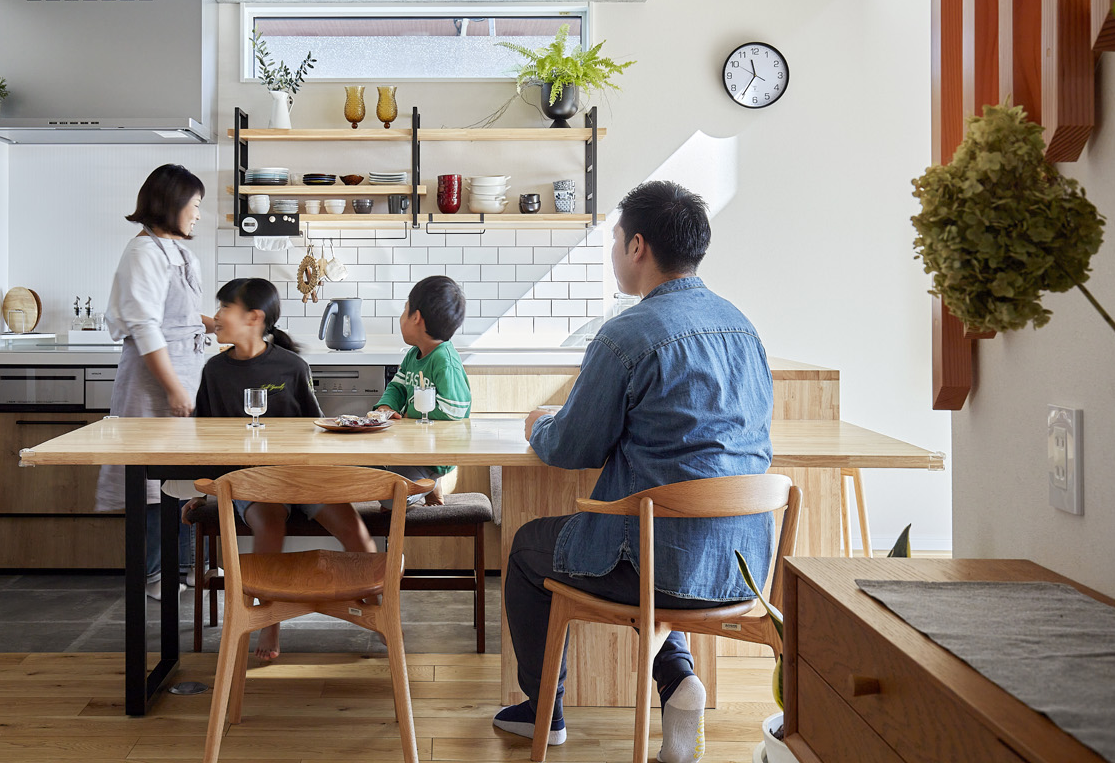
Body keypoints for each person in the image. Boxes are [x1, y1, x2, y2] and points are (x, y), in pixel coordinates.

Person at [492, 181, 774, 763]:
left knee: (526, 549)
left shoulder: (627, 335)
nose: (614, 251)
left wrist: (540, 424)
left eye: (615, 240)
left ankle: (547, 710)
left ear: (638, 246)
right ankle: (676, 680)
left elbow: (572, 445)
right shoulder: (744, 327)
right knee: (671, 536)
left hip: (654, 565)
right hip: (742, 564)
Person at [194, 276, 376, 661]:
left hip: (302, 477)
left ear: (254, 317)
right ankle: (269, 623)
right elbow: (202, 437)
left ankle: (377, 608)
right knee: (270, 525)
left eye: (225, 308)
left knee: (356, 531)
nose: (216, 317)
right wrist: (203, 492)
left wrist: (328, 479)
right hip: (252, 482)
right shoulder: (214, 371)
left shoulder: (292, 366)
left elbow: (317, 427)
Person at [94, 163, 217, 601]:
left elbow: (174, 312)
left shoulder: (177, 251)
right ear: (173, 204)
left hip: (182, 370)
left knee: (181, 479)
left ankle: (184, 570)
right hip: (153, 381)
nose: (198, 214)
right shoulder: (142, 253)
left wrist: (210, 322)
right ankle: (153, 575)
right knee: (150, 483)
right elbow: (145, 325)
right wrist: (173, 388)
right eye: (195, 205)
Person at [370, 275, 472, 507]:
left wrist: (408, 416)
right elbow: (397, 385)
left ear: (416, 317)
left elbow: (454, 410)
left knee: (389, 499)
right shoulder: (413, 354)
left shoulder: (445, 361)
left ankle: (431, 482)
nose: (401, 317)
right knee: (368, 475)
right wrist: (387, 407)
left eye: (405, 310)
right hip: (412, 449)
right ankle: (424, 484)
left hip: (433, 457)